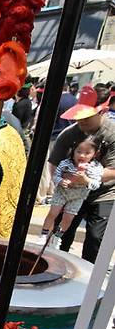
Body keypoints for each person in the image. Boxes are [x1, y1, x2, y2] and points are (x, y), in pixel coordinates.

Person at [49, 104, 115, 262]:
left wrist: (87, 177)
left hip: (103, 193)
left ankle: (89, 276)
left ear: (101, 112)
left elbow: (113, 170)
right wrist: (61, 182)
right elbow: (54, 163)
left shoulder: (112, 134)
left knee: (95, 238)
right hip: (71, 192)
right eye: (78, 118)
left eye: (86, 117)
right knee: (62, 233)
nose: (81, 122)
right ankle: (56, 265)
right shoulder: (69, 134)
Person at [41, 136, 103, 247]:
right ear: (73, 150)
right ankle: (43, 234)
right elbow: (56, 176)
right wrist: (60, 181)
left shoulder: (95, 168)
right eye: (79, 151)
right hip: (62, 193)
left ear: (95, 154)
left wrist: (85, 180)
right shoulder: (66, 163)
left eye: (87, 153)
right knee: (53, 213)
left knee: (68, 218)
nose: (82, 155)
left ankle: (57, 236)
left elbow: (96, 185)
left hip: (77, 197)